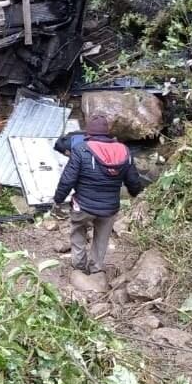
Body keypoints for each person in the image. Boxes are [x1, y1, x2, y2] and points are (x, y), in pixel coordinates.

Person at [52, 114, 147, 274]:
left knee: (78, 230)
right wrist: (136, 194)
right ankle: (96, 268)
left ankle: (79, 266)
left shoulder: (81, 149)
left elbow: (67, 180)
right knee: (102, 239)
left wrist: (58, 199)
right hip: (109, 208)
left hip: (83, 205)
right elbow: (133, 181)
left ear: (88, 132)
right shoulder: (123, 150)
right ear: (107, 132)